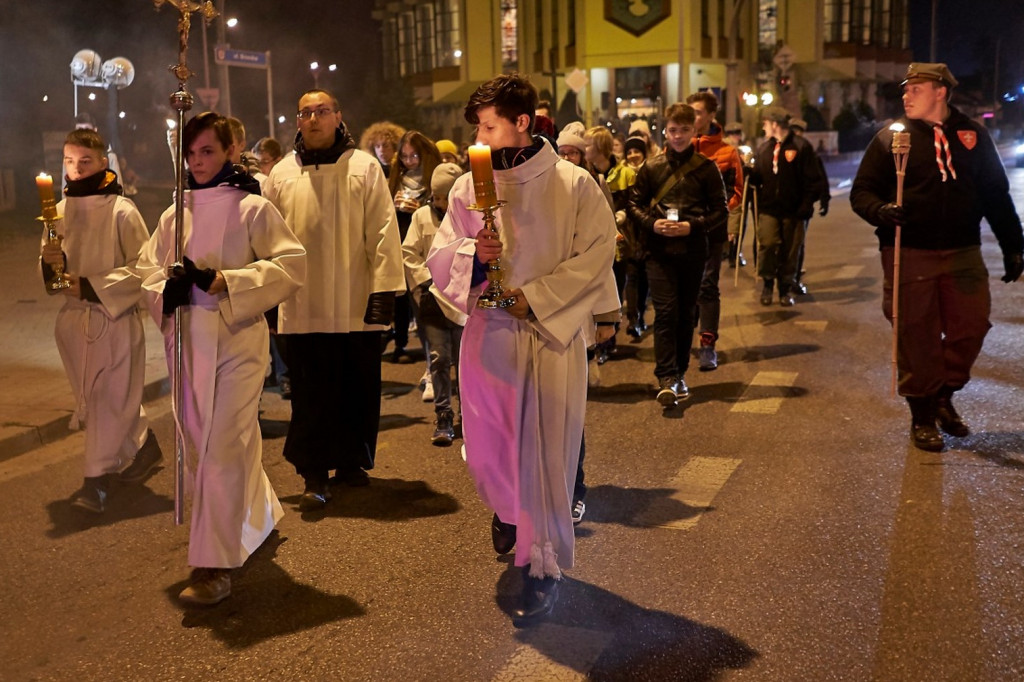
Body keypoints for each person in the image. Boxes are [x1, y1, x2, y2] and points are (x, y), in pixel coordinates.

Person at [427, 73, 619, 626]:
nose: (480, 138)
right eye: (478, 128)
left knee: (544, 453)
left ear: (523, 122)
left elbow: (595, 253)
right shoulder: (468, 189)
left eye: (490, 126)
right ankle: (510, 513)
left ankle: (541, 564)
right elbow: (441, 256)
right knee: (491, 449)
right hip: (489, 336)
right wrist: (475, 255)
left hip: (547, 337)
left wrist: (535, 299)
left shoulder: (573, 184)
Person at [137, 112, 306, 604]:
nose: (198, 162)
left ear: (231, 150)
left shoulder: (252, 206)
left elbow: (289, 264)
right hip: (188, 345)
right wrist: (165, 290)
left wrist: (228, 281)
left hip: (236, 341)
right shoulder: (173, 213)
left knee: (223, 447)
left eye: (208, 151)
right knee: (204, 444)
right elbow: (147, 272)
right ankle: (261, 512)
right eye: (190, 154)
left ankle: (213, 565)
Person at [850, 62, 1023, 451]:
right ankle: (923, 415)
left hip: (963, 249)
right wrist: (879, 210)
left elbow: (996, 194)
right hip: (909, 250)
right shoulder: (892, 139)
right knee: (917, 336)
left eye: (915, 88)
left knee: (972, 326)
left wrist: (1015, 244)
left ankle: (944, 393)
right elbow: (862, 191)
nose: (906, 95)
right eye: (905, 89)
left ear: (940, 92)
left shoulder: (973, 136)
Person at [264, 90, 405, 510]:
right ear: (297, 121)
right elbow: (267, 238)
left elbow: (383, 230)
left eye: (322, 111)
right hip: (301, 303)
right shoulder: (282, 174)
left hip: (354, 300)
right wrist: (268, 297)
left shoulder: (363, 167)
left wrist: (384, 292)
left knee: (356, 386)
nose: (313, 119)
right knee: (311, 393)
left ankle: (350, 462)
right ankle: (313, 471)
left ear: (338, 116)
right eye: (305, 113)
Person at [40, 128, 161, 514]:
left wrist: (91, 286)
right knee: (98, 402)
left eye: (85, 161)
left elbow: (146, 269)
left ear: (104, 163)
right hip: (73, 323)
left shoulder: (122, 211)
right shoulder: (56, 212)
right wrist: (50, 265)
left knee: (109, 401)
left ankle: (96, 484)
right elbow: (50, 276)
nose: (75, 170)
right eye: (69, 162)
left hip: (115, 319)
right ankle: (145, 446)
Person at [627, 103, 728, 407]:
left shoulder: (706, 169)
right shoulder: (652, 167)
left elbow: (720, 210)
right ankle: (666, 376)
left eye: (684, 130)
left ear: (693, 131)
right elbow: (634, 205)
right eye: (673, 130)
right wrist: (653, 223)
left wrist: (691, 226)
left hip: (693, 251)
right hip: (658, 252)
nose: (678, 135)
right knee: (666, 311)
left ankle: (680, 372)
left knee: (686, 313)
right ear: (665, 131)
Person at [402, 162, 466, 446]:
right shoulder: (421, 218)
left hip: (462, 300)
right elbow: (409, 253)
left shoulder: (466, 217)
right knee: (439, 358)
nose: (439, 202)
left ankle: (469, 416)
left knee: (466, 363)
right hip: (433, 300)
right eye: (436, 197)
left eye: (445, 197)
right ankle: (443, 414)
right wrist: (427, 282)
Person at [687, 91, 744, 371]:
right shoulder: (676, 146)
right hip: (683, 232)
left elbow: (736, 192)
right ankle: (683, 339)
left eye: (697, 112)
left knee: (707, 286)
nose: (693, 117)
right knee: (686, 286)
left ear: (711, 115)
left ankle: (707, 344)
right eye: (690, 111)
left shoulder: (726, 152)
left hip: (711, 231)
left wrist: (715, 215)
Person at [750, 106, 822, 307]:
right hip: (768, 209)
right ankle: (767, 284)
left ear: (774, 124)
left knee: (790, 251)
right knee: (768, 244)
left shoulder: (801, 147)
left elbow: (812, 180)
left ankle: (784, 288)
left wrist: (807, 204)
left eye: (765, 123)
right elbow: (758, 177)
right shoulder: (764, 148)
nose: (763, 127)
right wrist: (749, 173)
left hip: (794, 210)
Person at [584, 125, 636, 364]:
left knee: (616, 288)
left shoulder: (623, 173)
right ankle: (602, 344)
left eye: (588, 145)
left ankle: (610, 337)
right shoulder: (586, 175)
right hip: (596, 242)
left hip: (620, 243)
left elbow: (633, 203)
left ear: (601, 148)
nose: (585, 149)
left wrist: (622, 215)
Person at [388, 130, 441, 365]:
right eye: (404, 156)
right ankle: (400, 344)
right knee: (401, 298)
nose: (409, 161)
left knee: (426, 298)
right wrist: (394, 204)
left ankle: (438, 350)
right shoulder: (396, 178)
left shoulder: (434, 176)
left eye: (414, 156)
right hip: (401, 238)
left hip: (426, 240)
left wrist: (419, 205)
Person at [788, 118, 831, 296]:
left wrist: (824, 199)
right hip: (782, 206)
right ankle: (784, 278)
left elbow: (819, 178)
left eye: (799, 132)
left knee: (797, 244)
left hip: (801, 206)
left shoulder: (808, 152)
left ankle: (794, 278)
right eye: (794, 131)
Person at [621, 134, 651, 338]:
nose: (633, 156)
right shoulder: (621, 174)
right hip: (629, 231)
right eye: (629, 152)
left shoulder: (651, 171)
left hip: (648, 231)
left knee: (645, 279)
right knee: (631, 276)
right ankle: (633, 319)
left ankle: (640, 315)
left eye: (637, 151)